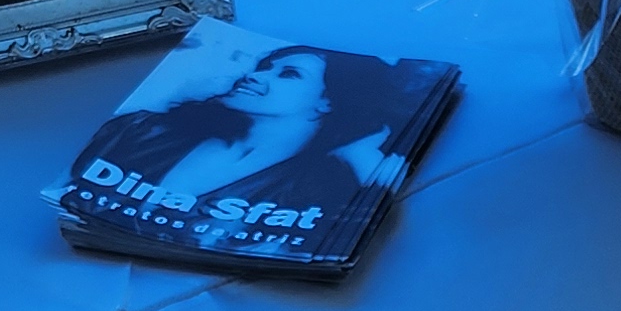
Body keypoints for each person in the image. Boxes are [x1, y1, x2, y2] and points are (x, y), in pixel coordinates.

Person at [71, 45, 423, 249]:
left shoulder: (316, 189)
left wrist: (361, 157)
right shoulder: (140, 129)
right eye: (264, 67)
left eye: (288, 74)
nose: (254, 75)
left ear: (328, 101)